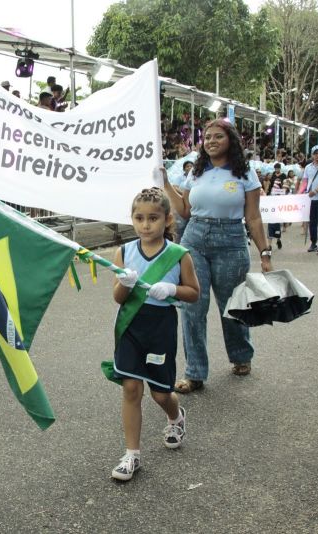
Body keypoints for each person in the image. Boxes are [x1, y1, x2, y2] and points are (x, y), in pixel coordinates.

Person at [161, 118, 273, 392]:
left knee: (231, 305)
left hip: (232, 241)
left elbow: (254, 217)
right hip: (195, 239)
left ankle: (240, 356)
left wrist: (265, 252)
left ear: (230, 140)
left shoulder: (245, 173)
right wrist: (165, 184)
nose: (210, 141)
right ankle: (195, 373)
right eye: (207, 137)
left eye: (217, 137)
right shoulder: (196, 172)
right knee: (191, 307)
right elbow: (184, 211)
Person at [109, 188, 200, 481]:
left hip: (160, 327)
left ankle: (175, 417)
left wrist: (172, 289)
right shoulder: (124, 252)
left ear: (167, 219)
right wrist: (125, 283)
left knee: (161, 393)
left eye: (153, 218)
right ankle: (132, 455)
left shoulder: (178, 255)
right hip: (131, 326)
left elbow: (194, 293)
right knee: (131, 389)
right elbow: (118, 298)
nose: (145, 224)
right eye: (139, 218)